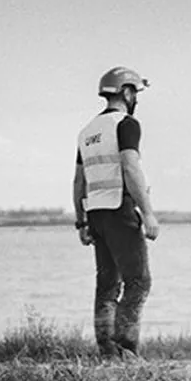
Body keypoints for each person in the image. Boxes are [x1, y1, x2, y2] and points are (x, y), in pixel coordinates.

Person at [72, 66, 160, 358]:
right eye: (135, 92)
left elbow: (78, 181)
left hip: (95, 213)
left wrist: (81, 221)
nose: (136, 99)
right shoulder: (126, 124)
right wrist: (147, 213)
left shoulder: (87, 131)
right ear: (126, 91)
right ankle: (125, 351)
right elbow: (130, 166)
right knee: (138, 282)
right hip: (120, 209)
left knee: (107, 284)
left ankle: (107, 353)